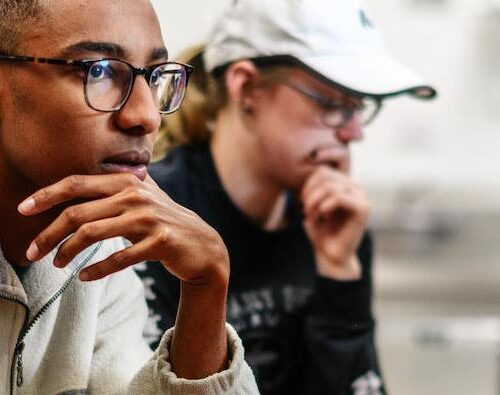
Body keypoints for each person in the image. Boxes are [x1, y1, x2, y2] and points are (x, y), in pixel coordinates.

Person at [138, 0, 436, 394]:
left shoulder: (336, 221)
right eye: (332, 104)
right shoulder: (155, 212)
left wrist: (339, 269)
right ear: (245, 87)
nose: (353, 133)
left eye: (358, 108)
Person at [0, 1, 260, 394]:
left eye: (155, 76)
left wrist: (206, 289)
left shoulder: (100, 253)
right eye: (98, 70)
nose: (147, 116)